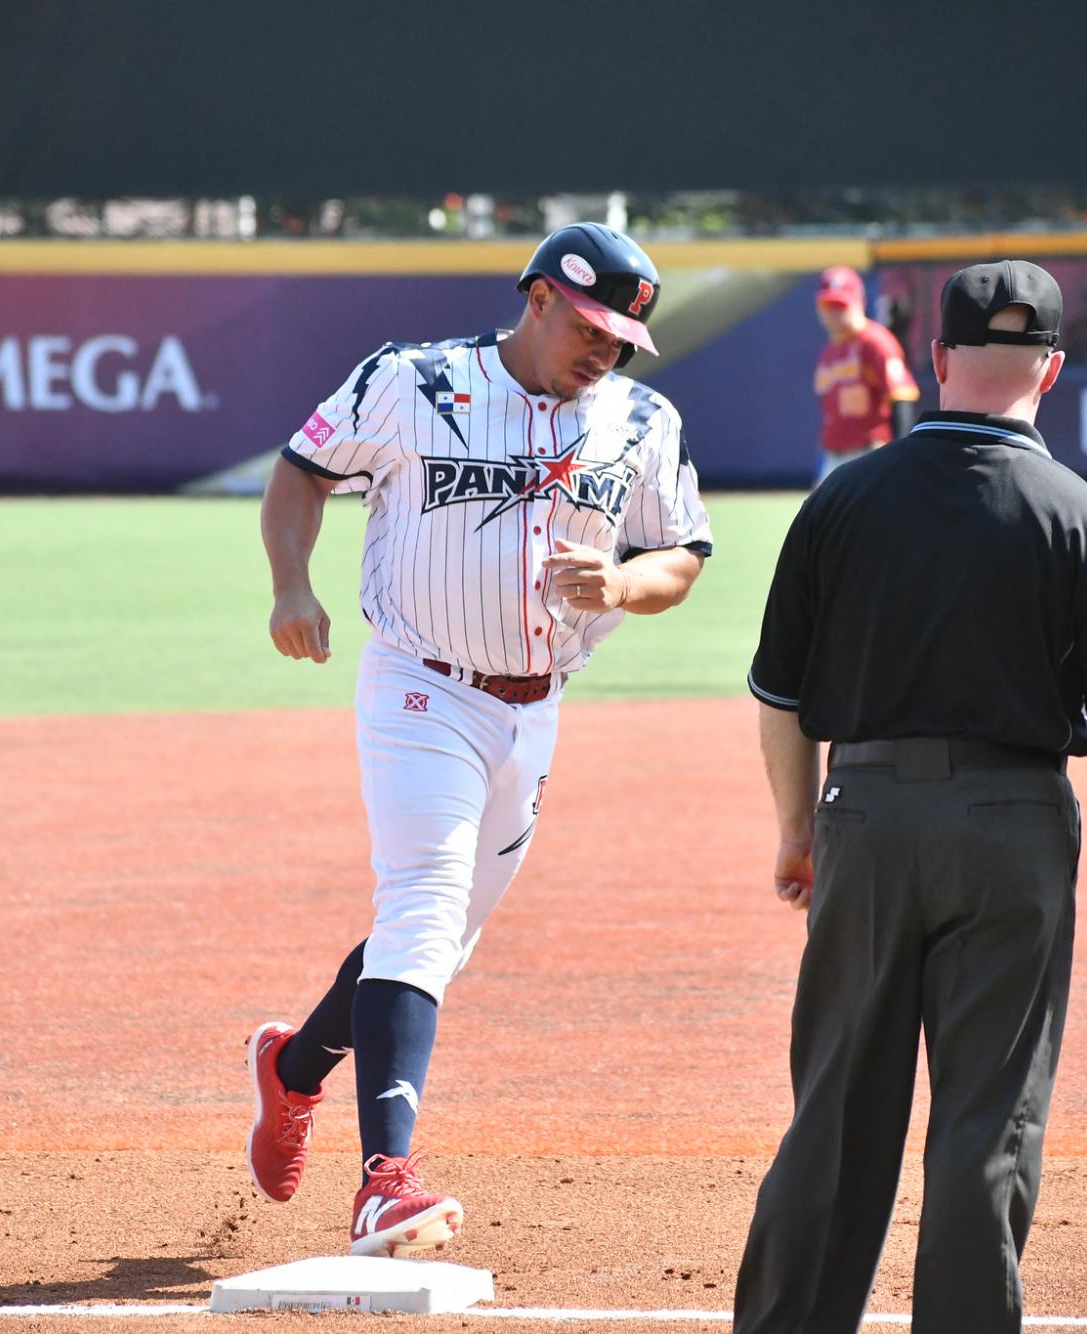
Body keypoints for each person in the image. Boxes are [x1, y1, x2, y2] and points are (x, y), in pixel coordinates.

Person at [248, 222, 713, 1258]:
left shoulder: (641, 418)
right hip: (421, 683)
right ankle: (385, 1182)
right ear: (537, 298)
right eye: (589, 328)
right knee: (421, 900)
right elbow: (301, 471)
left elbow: (680, 554)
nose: (604, 351)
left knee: (436, 937)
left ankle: (292, 1069)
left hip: (535, 708)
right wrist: (290, 585)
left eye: (621, 339)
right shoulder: (412, 382)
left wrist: (624, 584)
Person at [735, 260, 1087, 1332]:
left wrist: (797, 831)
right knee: (988, 1122)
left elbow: (781, 699)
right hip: (1012, 831)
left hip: (866, 817)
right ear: (1052, 370)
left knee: (836, 1111)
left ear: (934, 357)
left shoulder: (841, 500)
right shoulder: (1082, 515)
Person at [812, 265, 920, 485]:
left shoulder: (875, 342)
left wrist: (900, 455)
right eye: (828, 305)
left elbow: (902, 398)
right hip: (834, 456)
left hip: (869, 453)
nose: (833, 312)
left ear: (859, 303)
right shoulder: (830, 350)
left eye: (840, 305)